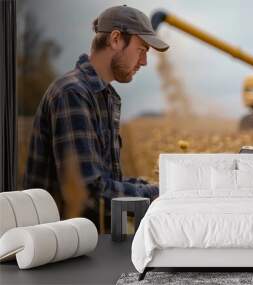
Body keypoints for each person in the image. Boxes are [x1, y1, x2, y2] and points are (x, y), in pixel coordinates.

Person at [23, 5, 169, 226]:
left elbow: (105, 181)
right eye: (141, 50)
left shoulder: (103, 96)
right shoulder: (73, 93)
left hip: (83, 242)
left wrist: (152, 185)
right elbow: (89, 193)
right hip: (60, 247)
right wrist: (155, 193)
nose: (144, 62)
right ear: (116, 39)